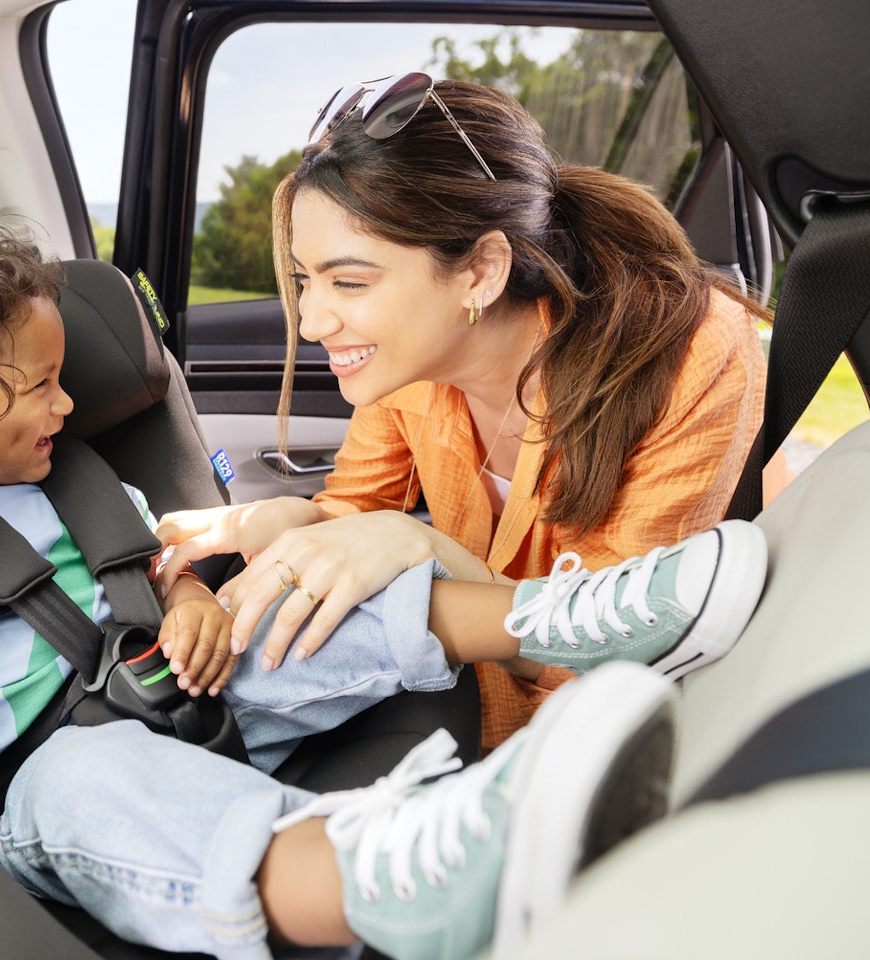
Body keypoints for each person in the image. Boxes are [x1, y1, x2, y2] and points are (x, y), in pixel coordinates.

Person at [0, 204, 767, 959]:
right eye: (39, 386)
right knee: (103, 785)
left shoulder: (75, 476)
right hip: (36, 788)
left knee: (304, 602)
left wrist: (197, 601)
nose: (68, 401)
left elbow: (160, 567)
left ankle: (567, 619)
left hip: (181, 685)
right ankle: (390, 874)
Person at [156, 73, 770, 750]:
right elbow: (358, 516)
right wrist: (291, 520)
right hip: (483, 728)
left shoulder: (687, 354)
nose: (312, 323)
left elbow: (618, 655)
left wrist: (427, 548)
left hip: (612, 746)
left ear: (480, 271)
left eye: (350, 282)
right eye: (306, 281)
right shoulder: (409, 370)